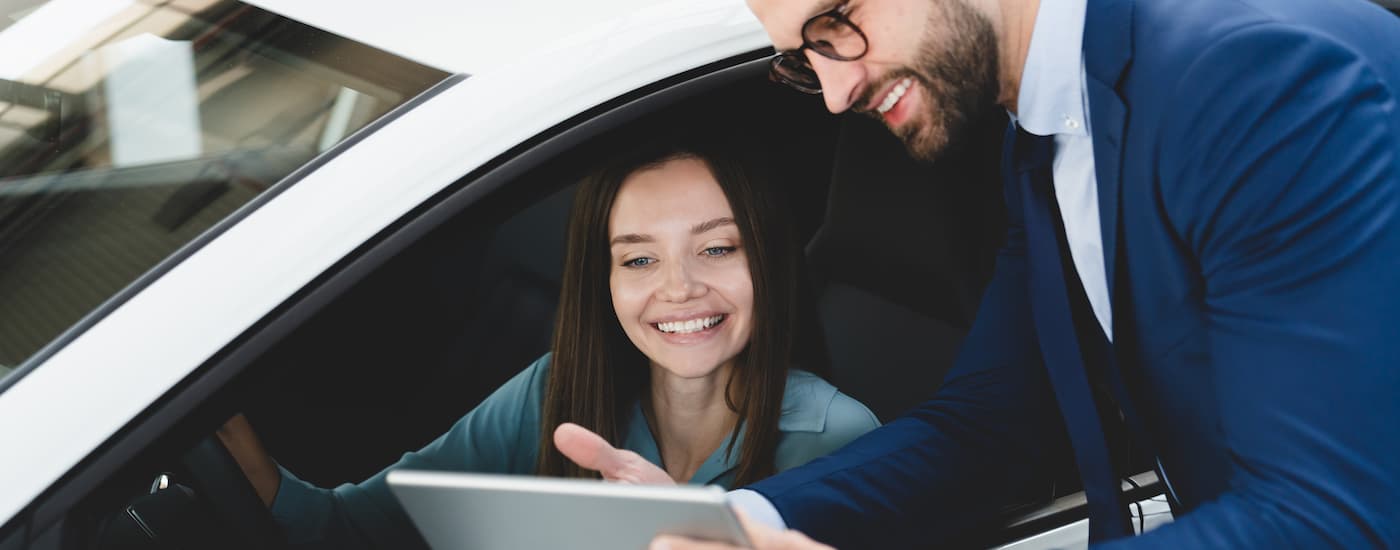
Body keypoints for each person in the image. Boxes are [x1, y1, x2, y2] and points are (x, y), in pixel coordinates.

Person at [556, 0, 1400, 547]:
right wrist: (734, 523)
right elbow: (999, 420)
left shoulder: (1255, 79)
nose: (836, 90)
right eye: (802, 58)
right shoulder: (1040, 131)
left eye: (837, 23)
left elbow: (1331, 520)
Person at [217, 140, 880, 549]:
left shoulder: (839, 437)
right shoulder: (554, 391)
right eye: (639, 260)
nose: (679, 288)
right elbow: (361, 533)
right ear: (606, 280)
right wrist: (242, 464)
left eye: (716, 248)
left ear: (770, 261)